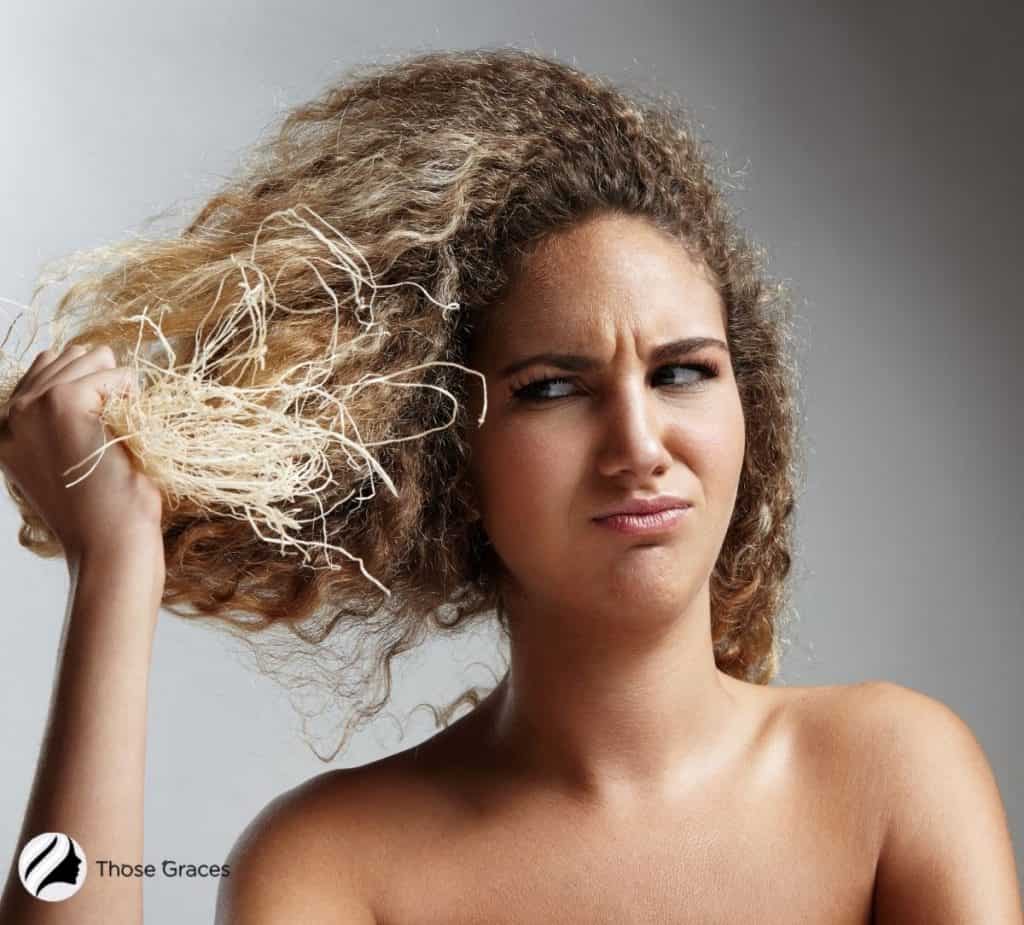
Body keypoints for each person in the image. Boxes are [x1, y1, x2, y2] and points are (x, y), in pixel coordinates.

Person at [0, 47, 1020, 924]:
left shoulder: (893, 776)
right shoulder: (334, 864)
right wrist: (115, 570)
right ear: (446, 463)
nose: (638, 442)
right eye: (551, 389)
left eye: (680, 372)